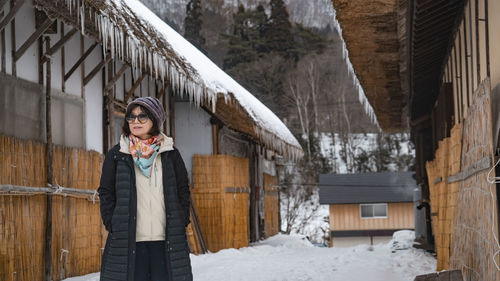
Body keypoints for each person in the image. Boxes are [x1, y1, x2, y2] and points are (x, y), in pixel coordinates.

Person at [98, 97, 193, 281]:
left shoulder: (170, 153)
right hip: (130, 240)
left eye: (142, 116)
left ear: (155, 120)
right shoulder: (118, 154)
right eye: (131, 117)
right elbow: (106, 192)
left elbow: (183, 189)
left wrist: (182, 218)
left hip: (165, 240)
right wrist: (112, 222)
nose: (135, 121)